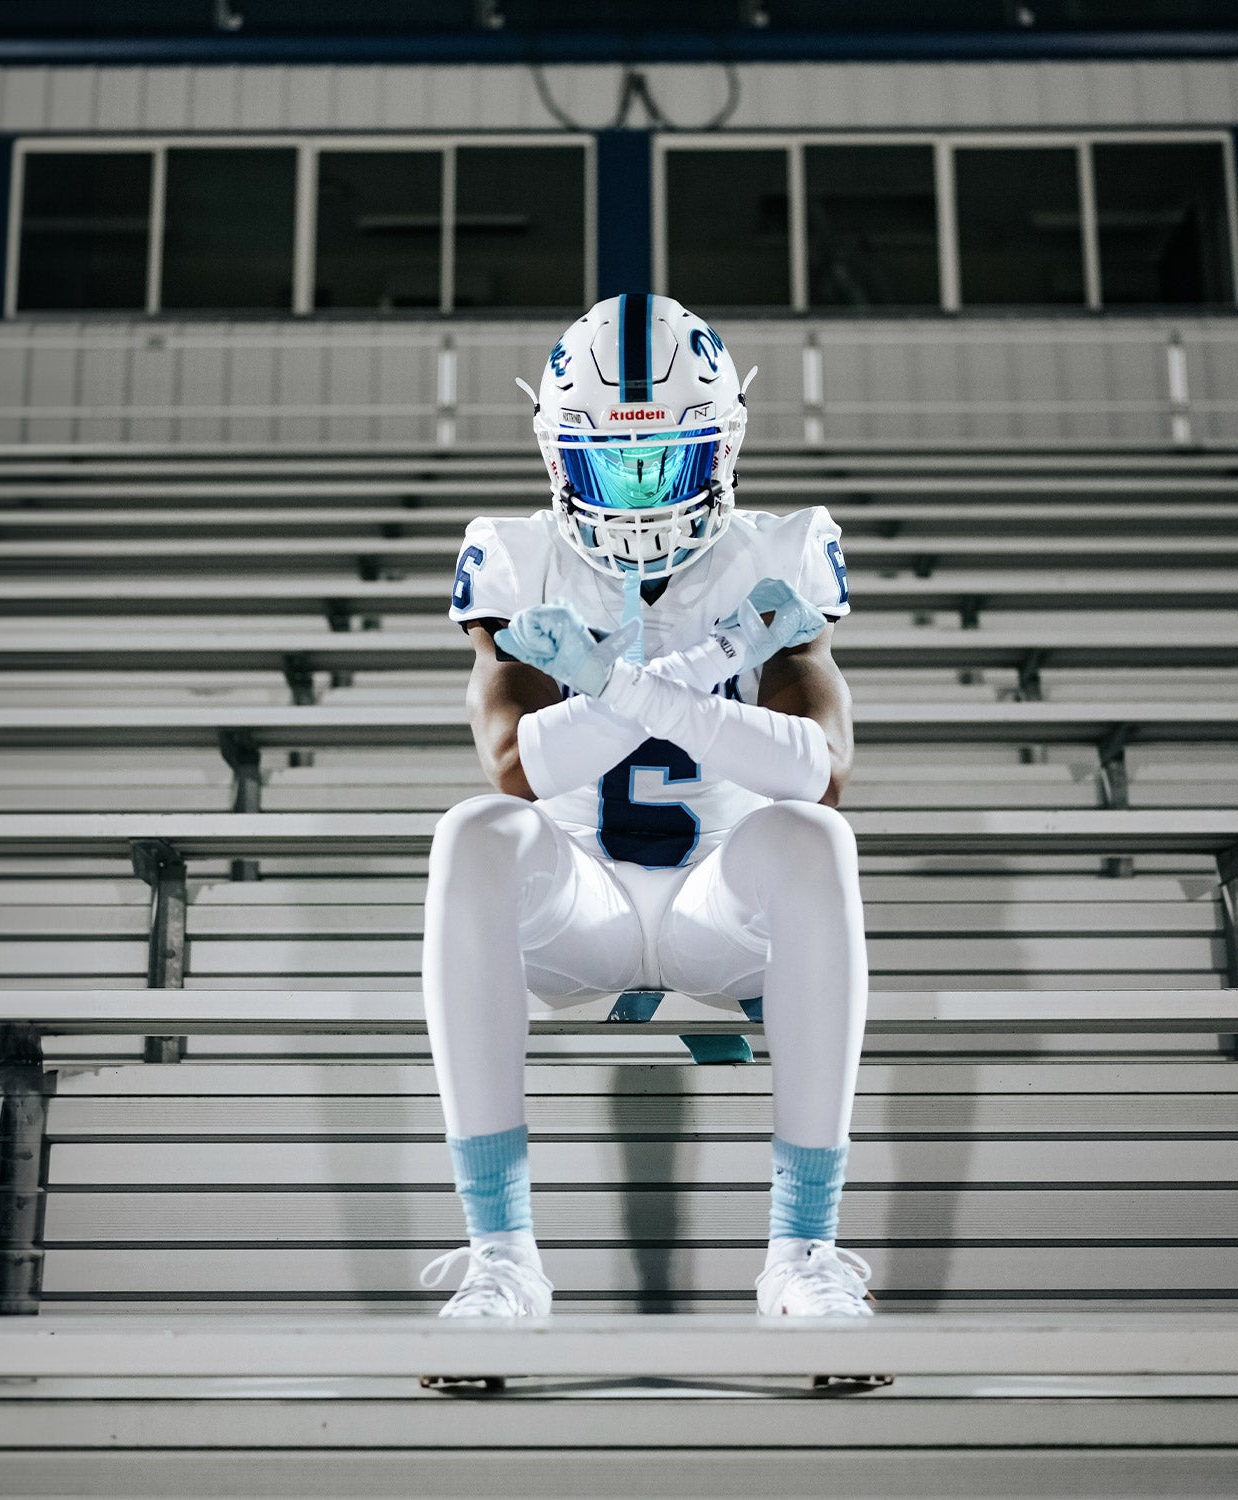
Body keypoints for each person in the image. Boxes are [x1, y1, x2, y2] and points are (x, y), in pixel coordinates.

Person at [418, 293, 870, 1320]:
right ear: (556, 454)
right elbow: (515, 769)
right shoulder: (515, 552)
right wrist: (702, 669)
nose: (632, 490)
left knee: (811, 837)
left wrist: (620, 682)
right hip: (581, 914)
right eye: (608, 462)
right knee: (473, 832)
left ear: (721, 450)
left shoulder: (777, 548)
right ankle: (502, 1258)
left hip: (725, 911)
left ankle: (805, 1253)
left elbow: (824, 773)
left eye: (660, 460)